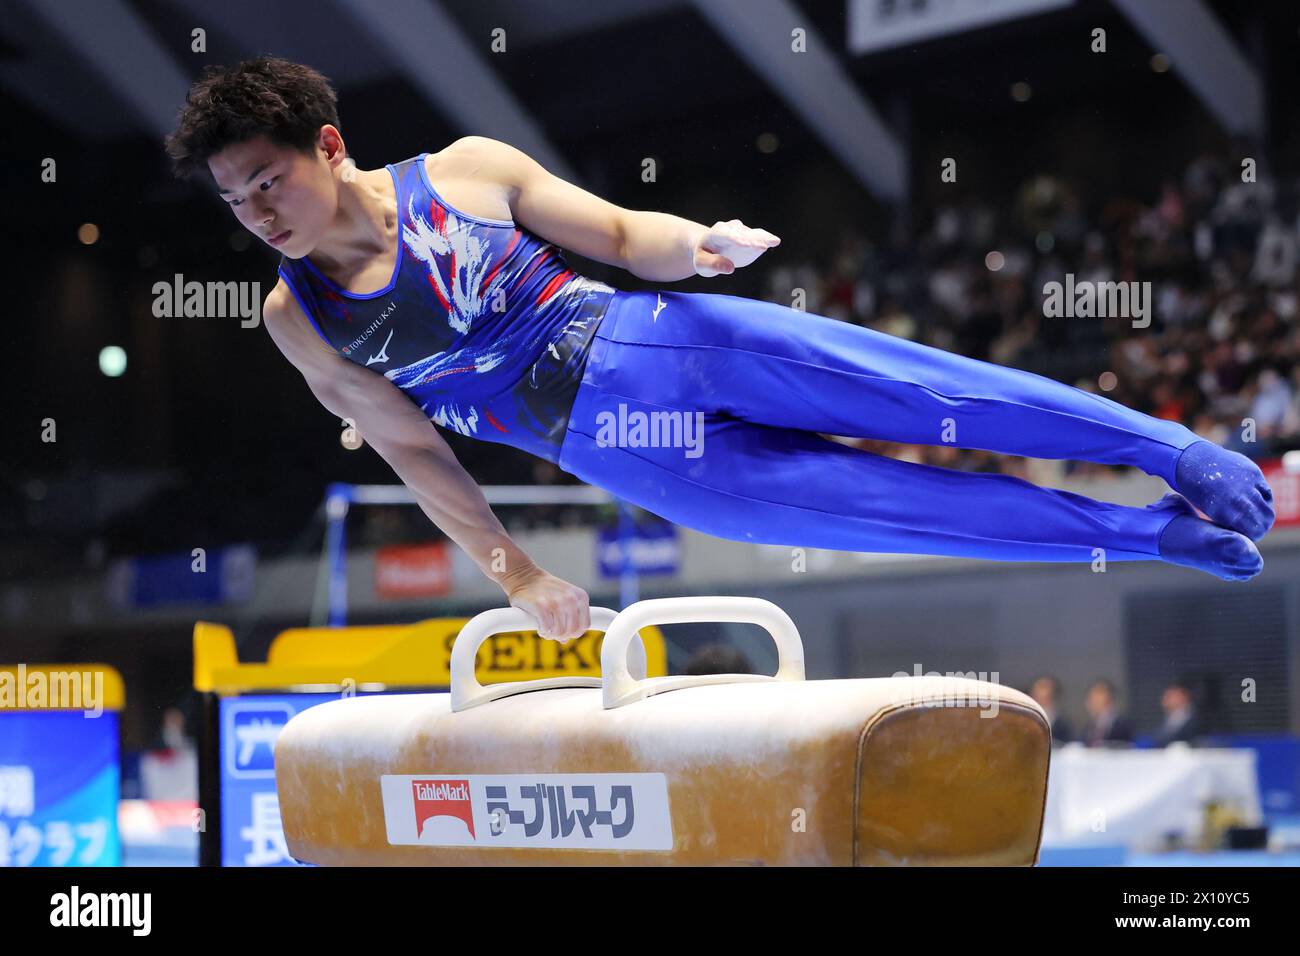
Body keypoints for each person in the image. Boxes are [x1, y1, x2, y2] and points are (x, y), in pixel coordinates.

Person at [164, 57, 1275, 641]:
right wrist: (518, 575)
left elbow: (613, 234)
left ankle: (1165, 448)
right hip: (638, 462)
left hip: (667, 343)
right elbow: (414, 452)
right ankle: (1144, 537)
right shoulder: (294, 317)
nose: (257, 212)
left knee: (934, 391)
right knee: (910, 510)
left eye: (268, 180)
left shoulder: (462, 171)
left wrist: (693, 244)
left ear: (327, 145)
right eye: (235, 199)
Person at [1080, 679, 1135, 747]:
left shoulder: (1122, 725)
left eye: (1096, 700)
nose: (1090, 704)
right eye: (1091, 700)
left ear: (1108, 700)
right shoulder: (1089, 728)